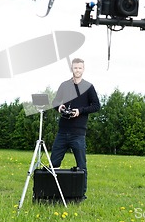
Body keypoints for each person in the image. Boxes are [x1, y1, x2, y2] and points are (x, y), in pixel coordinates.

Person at [50, 58, 100, 200]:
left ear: (83, 69)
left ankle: (81, 195)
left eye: (80, 68)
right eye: (75, 68)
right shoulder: (64, 85)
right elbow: (55, 102)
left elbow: (96, 105)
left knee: (81, 165)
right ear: (72, 68)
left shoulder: (89, 87)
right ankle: (51, 192)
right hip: (62, 131)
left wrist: (80, 111)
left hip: (78, 133)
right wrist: (59, 107)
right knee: (54, 164)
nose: (77, 70)